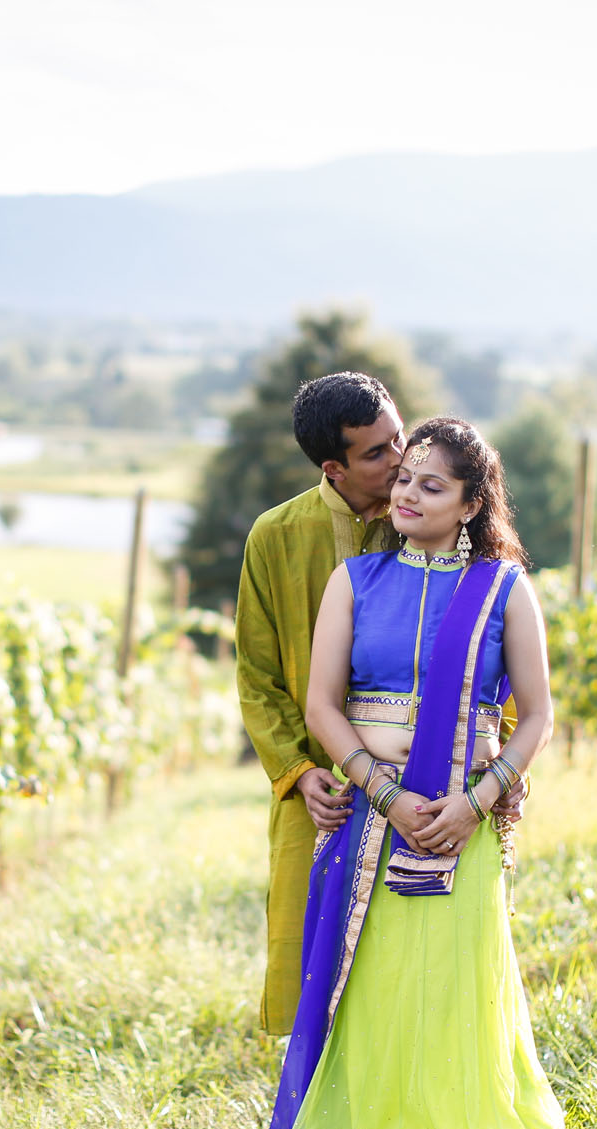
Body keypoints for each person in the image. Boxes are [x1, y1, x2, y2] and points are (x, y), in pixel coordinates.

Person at [253, 416, 564, 1129]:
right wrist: (386, 795)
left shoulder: (503, 589)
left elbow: (537, 716)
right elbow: (323, 704)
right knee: (373, 989)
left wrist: (479, 797)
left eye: (431, 484)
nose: (406, 493)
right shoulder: (356, 579)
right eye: (402, 480)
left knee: (452, 984)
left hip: (464, 824)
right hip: (371, 816)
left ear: (470, 503)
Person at [235, 371, 407, 1035]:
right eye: (377, 453)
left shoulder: (433, 520)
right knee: (311, 952)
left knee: (408, 954)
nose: (399, 461)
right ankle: (316, 1115)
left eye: (400, 438)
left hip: (419, 779)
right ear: (333, 468)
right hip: (322, 790)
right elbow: (255, 673)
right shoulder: (275, 537)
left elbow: (488, 643)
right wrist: (301, 774)